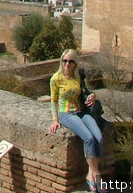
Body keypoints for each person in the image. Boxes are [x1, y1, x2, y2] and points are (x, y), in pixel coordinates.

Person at [48, 49, 105, 193]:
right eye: (65, 61)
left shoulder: (78, 76)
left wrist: (92, 95)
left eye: (70, 61)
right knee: (89, 138)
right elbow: (53, 100)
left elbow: (85, 92)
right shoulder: (56, 78)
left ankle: (90, 175)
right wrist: (55, 120)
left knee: (99, 137)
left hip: (82, 112)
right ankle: (97, 175)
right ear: (61, 61)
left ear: (75, 63)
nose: (67, 64)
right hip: (67, 114)